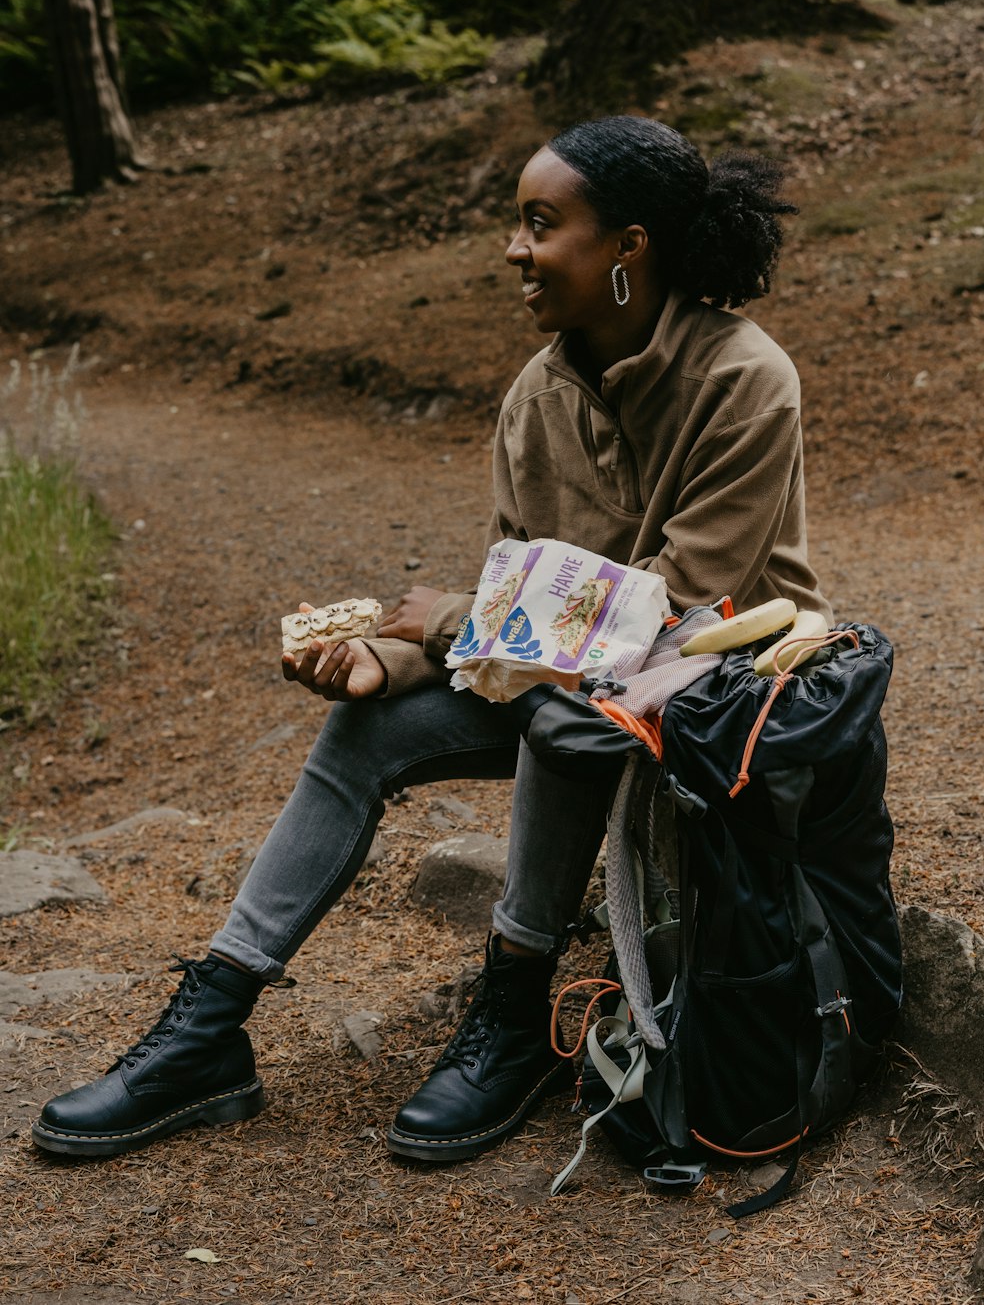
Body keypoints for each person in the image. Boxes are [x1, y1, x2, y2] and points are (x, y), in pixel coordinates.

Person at [32, 115, 832, 1162]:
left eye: (540, 225)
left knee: (563, 701)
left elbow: (671, 610)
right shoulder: (536, 397)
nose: (514, 249)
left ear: (628, 247)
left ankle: (511, 1009)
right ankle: (209, 1027)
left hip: (728, 691)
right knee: (371, 732)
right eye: (516, 226)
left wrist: (456, 619)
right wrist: (390, 659)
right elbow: (520, 603)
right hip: (582, 678)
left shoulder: (744, 375)